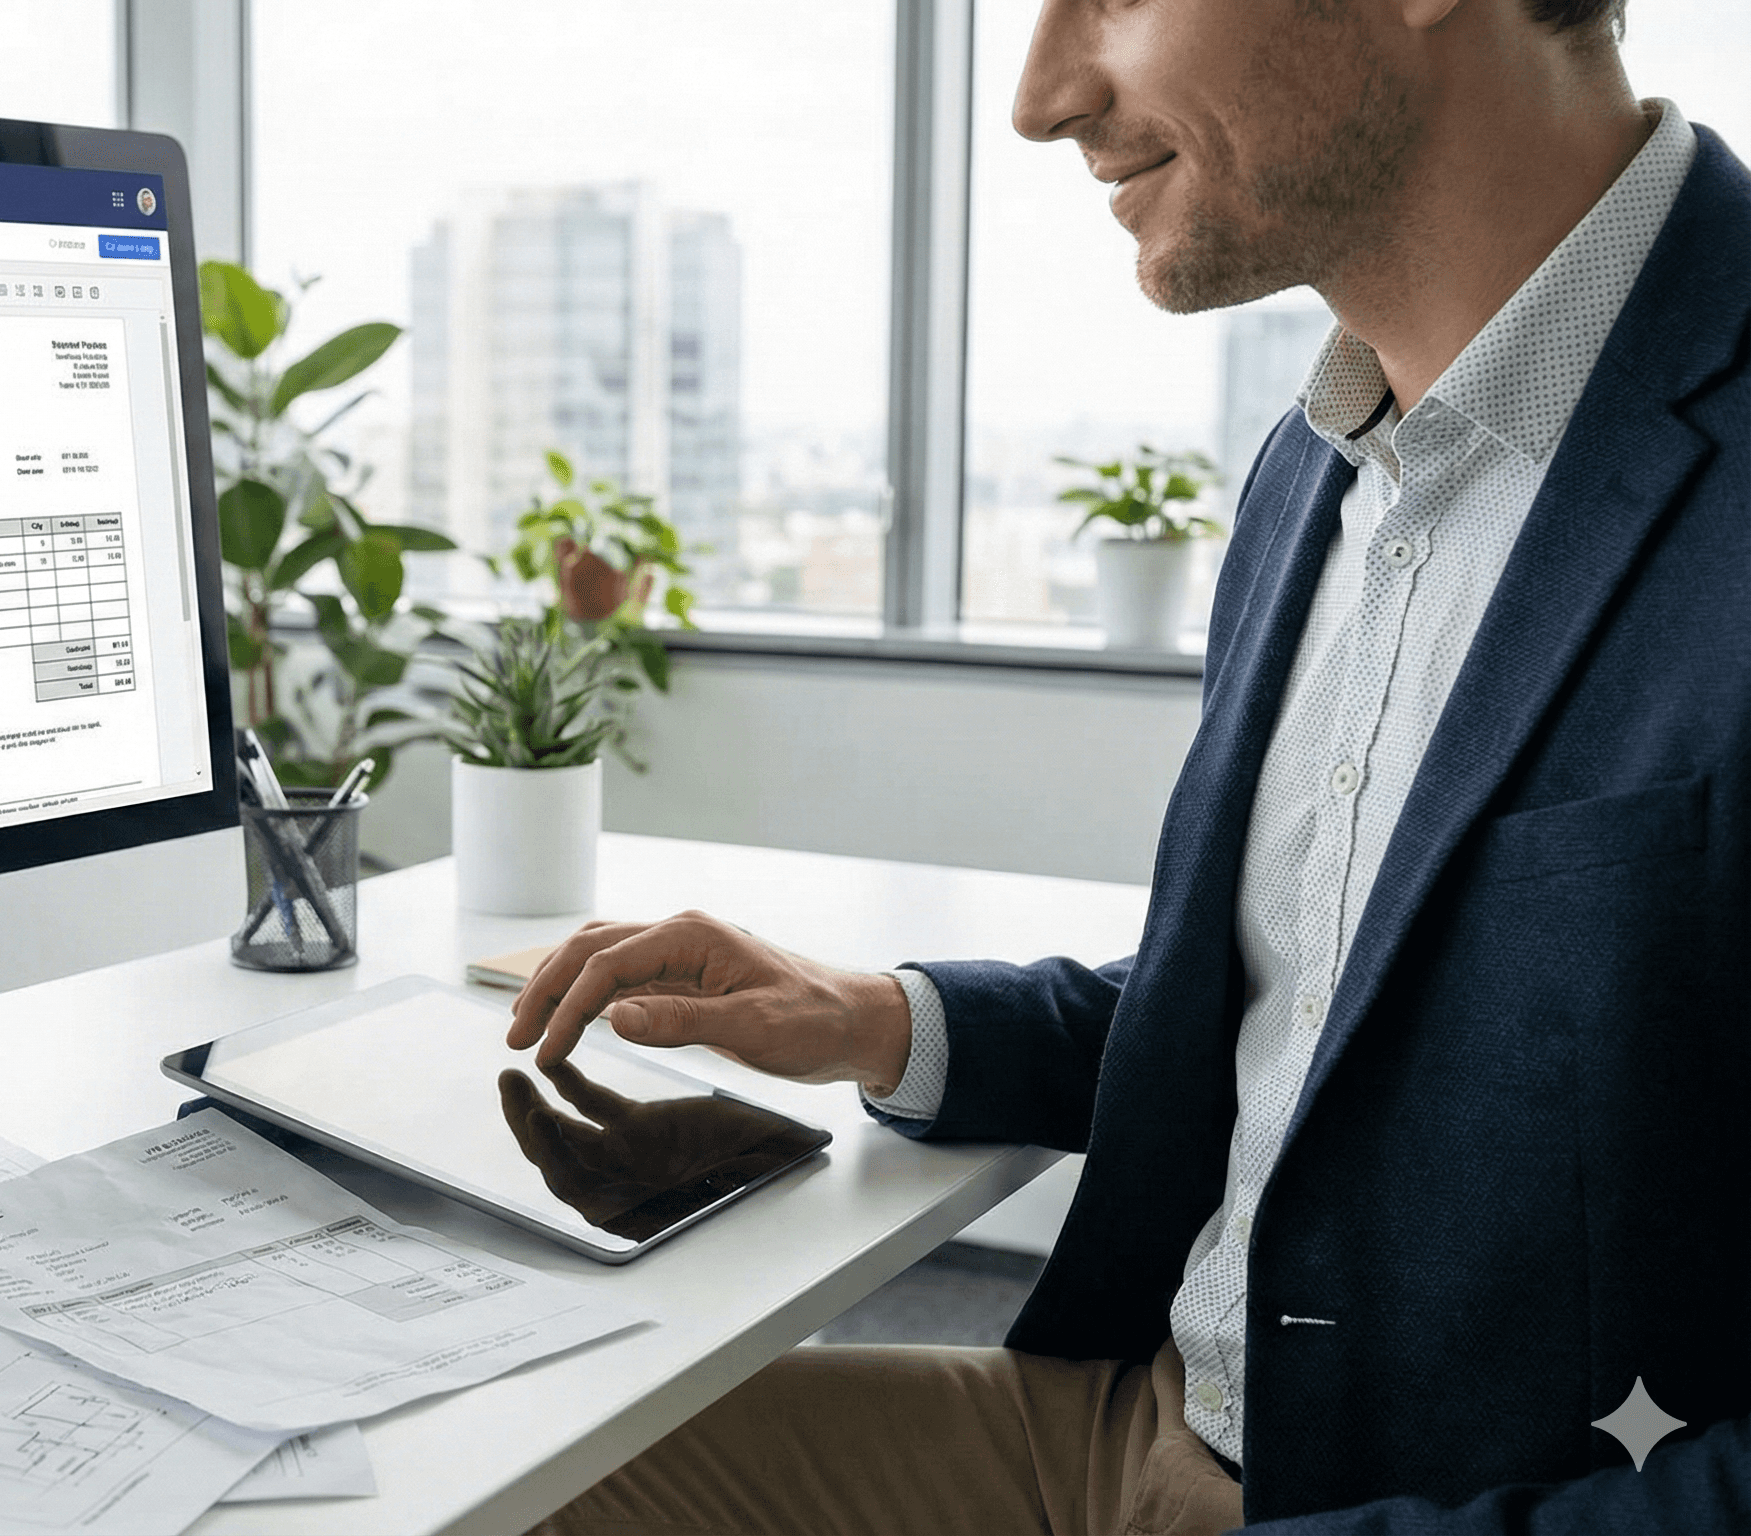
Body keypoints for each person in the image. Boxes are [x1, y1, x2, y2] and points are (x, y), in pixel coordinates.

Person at [511, 0, 1751, 1530]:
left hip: (1415, 1502)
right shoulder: (1325, 461)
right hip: (1145, 1427)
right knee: (492, 1486)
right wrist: (882, 1021)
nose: (1040, 96)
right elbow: (1328, 1033)